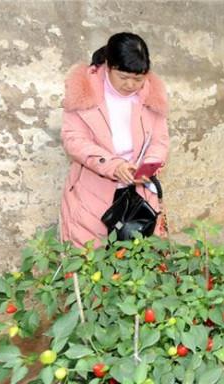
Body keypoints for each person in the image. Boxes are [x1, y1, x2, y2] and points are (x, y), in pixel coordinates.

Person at [60, 32, 169, 247]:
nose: (130, 85)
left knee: (139, 258)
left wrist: (146, 170)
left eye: (138, 79)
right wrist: (113, 165)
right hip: (92, 191)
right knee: (90, 258)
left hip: (139, 193)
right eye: (123, 77)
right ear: (108, 66)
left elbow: (160, 140)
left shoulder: (152, 94)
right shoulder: (83, 90)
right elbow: (73, 139)